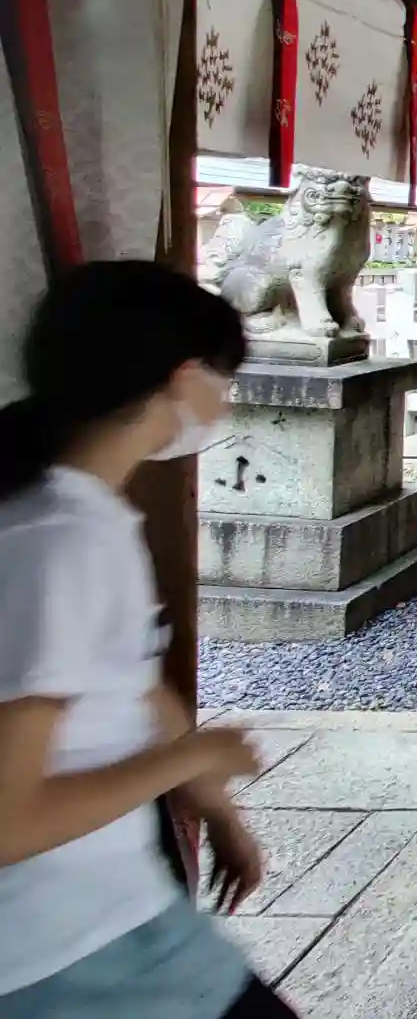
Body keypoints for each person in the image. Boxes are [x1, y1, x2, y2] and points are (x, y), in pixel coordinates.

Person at [0, 261, 296, 1017]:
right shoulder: (58, 540)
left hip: (112, 918)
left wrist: (218, 810)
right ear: (184, 378)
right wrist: (193, 759)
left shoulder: (82, 517)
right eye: (225, 378)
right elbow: (8, 820)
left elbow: (134, 686)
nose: (226, 401)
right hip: (61, 945)